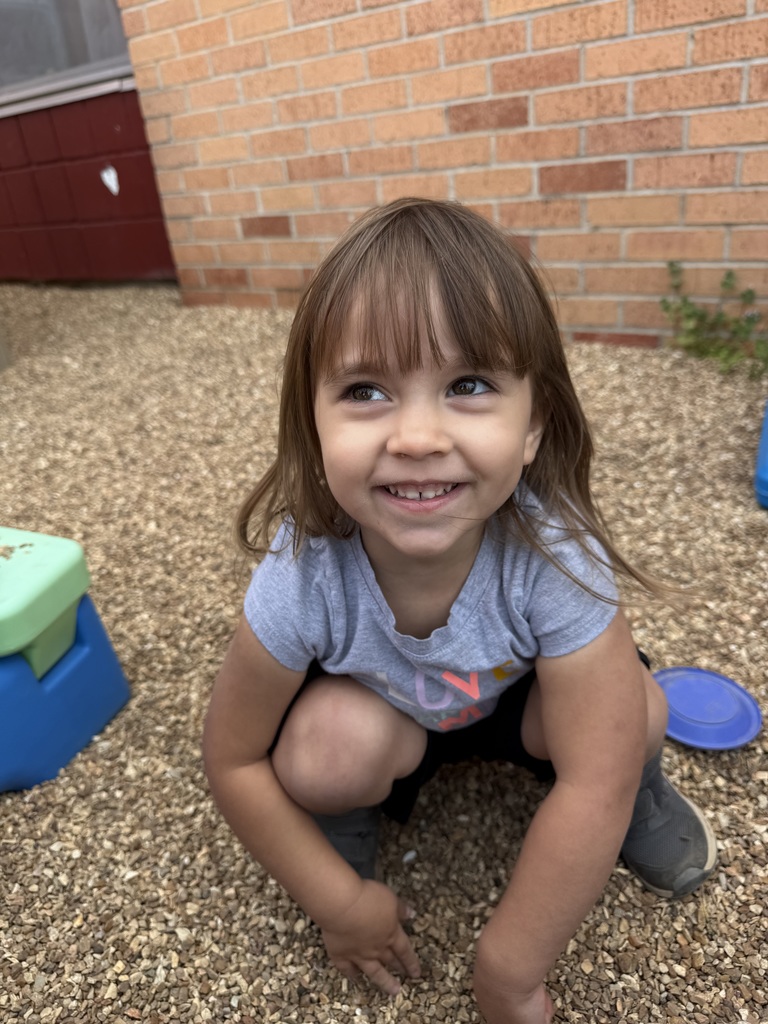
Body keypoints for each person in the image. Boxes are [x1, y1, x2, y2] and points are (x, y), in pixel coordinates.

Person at [203, 198, 716, 1024]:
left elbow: (592, 776)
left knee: (632, 724)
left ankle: (645, 799)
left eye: (468, 385)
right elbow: (233, 759)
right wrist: (338, 901)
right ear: (313, 418)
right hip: (387, 709)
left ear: (534, 424)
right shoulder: (304, 569)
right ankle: (344, 819)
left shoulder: (554, 553)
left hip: (520, 702)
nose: (415, 435)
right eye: (366, 389)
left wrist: (511, 969)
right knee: (321, 759)